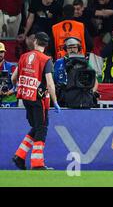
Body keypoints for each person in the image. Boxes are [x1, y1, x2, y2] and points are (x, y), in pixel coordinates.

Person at [11, 32, 60, 170]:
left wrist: (17, 87)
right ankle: (37, 163)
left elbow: (13, 78)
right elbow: (50, 84)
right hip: (39, 98)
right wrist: (55, 101)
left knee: (36, 127)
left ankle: (19, 156)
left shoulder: (23, 57)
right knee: (42, 129)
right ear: (46, 44)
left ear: (35, 41)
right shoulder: (46, 59)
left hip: (26, 97)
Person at [53, 37, 98, 108]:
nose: (72, 50)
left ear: (78, 49)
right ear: (65, 49)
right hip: (61, 97)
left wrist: (91, 93)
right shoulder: (58, 62)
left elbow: (94, 81)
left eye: (74, 47)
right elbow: (52, 80)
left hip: (78, 97)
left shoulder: (84, 62)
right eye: (69, 48)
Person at [0, 42, 16, 107]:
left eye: (1, 52)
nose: (0, 54)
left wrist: (12, 91)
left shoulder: (12, 67)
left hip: (9, 100)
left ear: (4, 53)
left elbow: (18, 84)